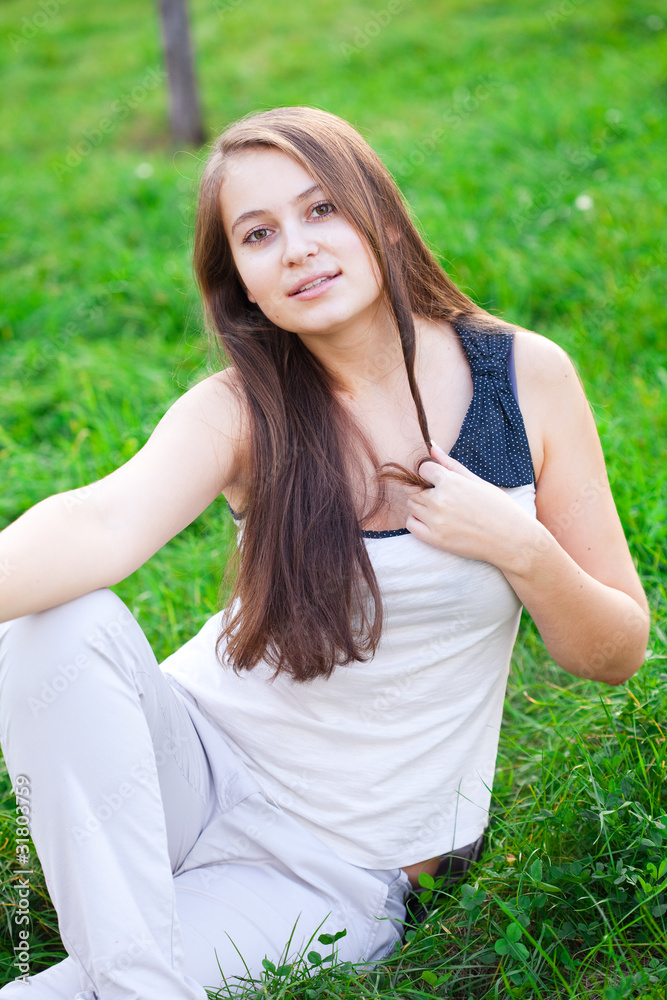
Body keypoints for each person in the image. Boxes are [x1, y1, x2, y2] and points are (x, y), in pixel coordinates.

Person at [0, 106, 650, 1000]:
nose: (297, 248)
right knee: (50, 622)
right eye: (258, 235)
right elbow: (98, 525)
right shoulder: (242, 409)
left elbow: (612, 654)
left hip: (332, 861)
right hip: (187, 762)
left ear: (379, 218)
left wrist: (520, 547)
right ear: (245, 287)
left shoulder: (522, 379)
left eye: (320, 211)